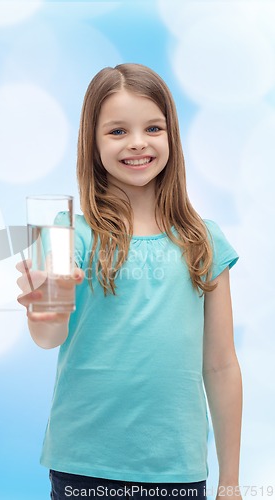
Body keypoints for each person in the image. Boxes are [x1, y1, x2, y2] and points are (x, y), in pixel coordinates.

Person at [17, 63, 242, 500]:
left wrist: (230, 482)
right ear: (93, 143)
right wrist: (44, 307)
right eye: (117, 131)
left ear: (171, 136)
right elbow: (48, 336)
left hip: (176, 470)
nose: (138, 143)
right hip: (83, 466)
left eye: (152, 128)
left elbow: (220, 365)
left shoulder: (204, 241)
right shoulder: (68, 234)